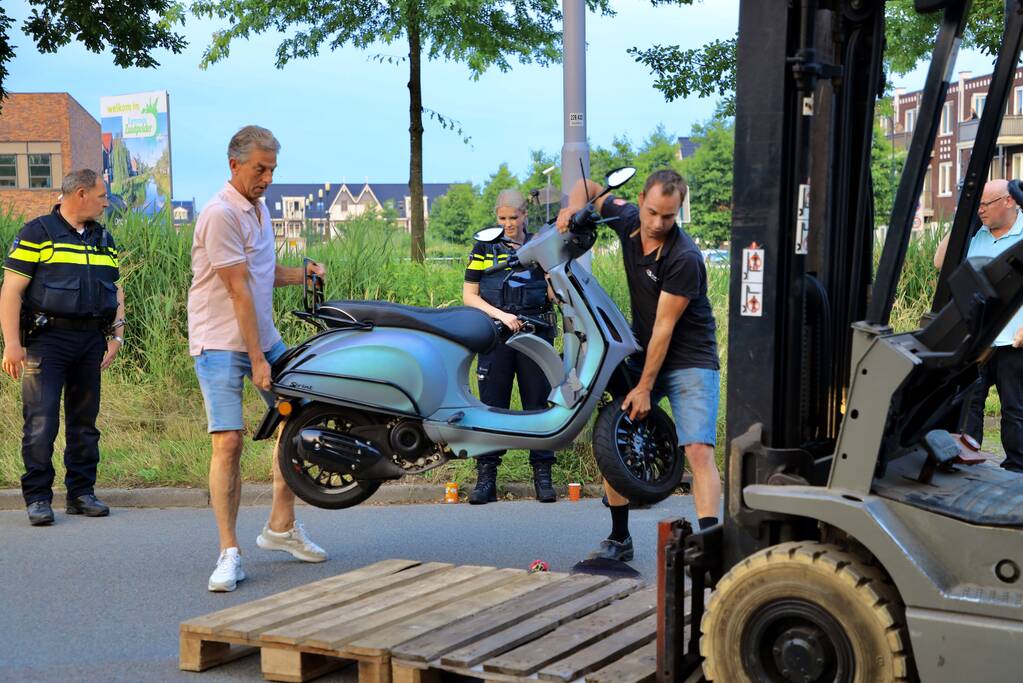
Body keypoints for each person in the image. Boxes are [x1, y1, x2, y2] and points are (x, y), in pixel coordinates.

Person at [189, 125, 328, 592]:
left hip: (260, 336)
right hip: (221, 343)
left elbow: (261, 275)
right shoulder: (219, 214)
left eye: (272, 169)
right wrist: (259, 360)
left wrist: (301, 274)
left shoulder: (258, 208)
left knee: (301, 419)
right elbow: (238, 290)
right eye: (260, 169)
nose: (268, 178)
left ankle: (281, 527)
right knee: (227, 443)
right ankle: (229, 552)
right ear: (235, 165)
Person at [557, 169, 722, 561]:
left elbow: (665, 329)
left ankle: (712, 545)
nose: (658, 223)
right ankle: (619, 539)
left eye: (669, 216)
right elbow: (590, 187)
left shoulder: (684, 257)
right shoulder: (628, 219)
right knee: (616, 431)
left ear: (678, 210)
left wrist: (645, 387)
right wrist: (572, 210)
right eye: (652, 212)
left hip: (690, 358)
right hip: (644, 349)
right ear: (641, 199)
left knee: (698, 450)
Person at [1, 169, 124, 526]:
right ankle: (38, 498)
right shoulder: (37, 233)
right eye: (101, 196)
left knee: (84, 422)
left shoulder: (104, 238)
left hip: (90, 341)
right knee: (41, 421)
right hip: (47, 341)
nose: (105, 202)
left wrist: (116, 335)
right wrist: (12, 344)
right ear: (81, 194)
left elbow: (115, 289)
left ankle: (81, 493)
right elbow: (11, 290)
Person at [462, 188, 558, 504]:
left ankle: (543, 476)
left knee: (538, 405)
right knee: (492, 406)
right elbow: (470, 296)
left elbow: (552, 288)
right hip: (496, 334)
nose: (508, 224)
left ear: (524, 216)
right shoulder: (483, 246)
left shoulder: (538, 244)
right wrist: (501, 315)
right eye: (502, 218)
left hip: (534, 332)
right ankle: (486, 478)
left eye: (513, 218)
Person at [934, 178, 1023, 471]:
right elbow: (940, 262)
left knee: (1015, 410)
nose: (981, 211)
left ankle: (1017, 471)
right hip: (978, 338)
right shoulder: (976, 234)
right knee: (969, 405)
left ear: (1009, 201)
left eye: (985, 204)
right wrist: (964, 221)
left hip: (1014, 339)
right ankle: (966, 466)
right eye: (978, 206)